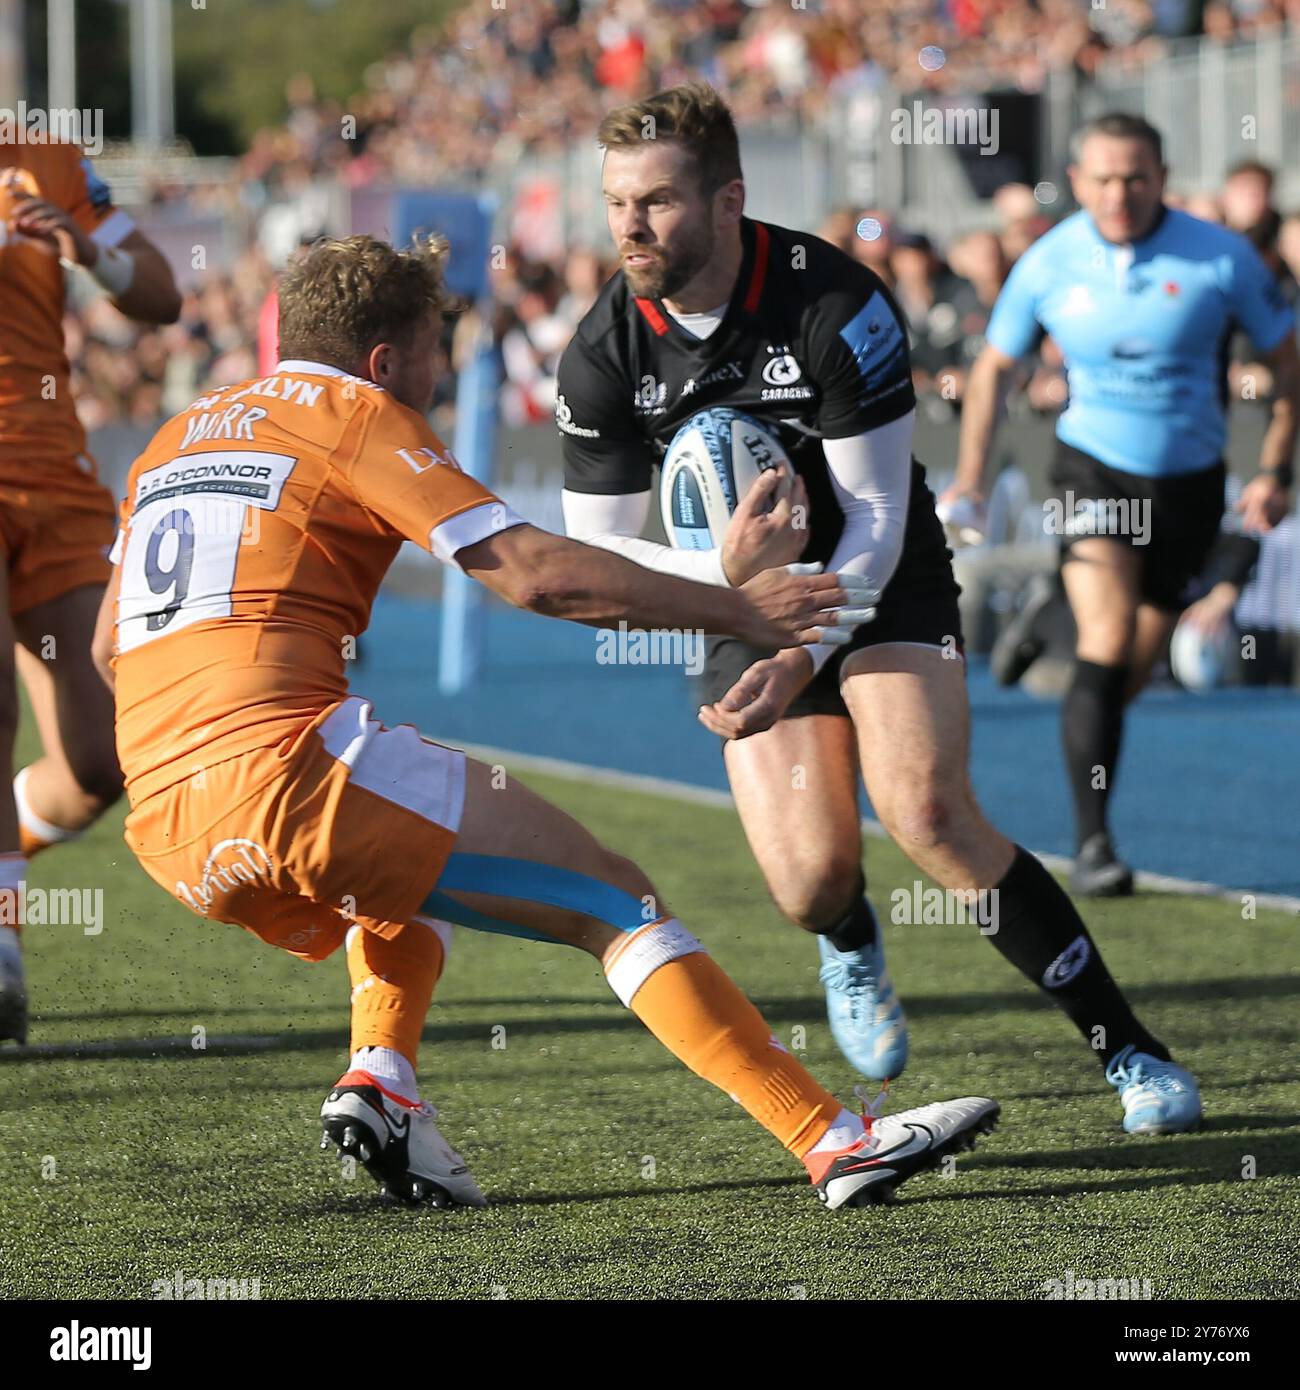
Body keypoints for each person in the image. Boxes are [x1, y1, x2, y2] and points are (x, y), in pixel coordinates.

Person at [93, 233, 998, 1211]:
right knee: (612, 900)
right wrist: (738, 607)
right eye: (434, 352)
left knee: (400, 870)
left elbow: (107, 646)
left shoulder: (176, 435)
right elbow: (534, 574)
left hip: (162, 820)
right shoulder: (356, 413)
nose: (438, 377)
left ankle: (382, 1083)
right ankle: (832, 1140)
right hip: (285, 770)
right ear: (386, 360)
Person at [556, 82, 1200, 1137]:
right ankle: (849, 935)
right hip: (731, 592)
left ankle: (1128, 1046)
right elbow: (598, 546)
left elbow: (874, 513)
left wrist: (794, 632)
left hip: (876, 568)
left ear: (728, 201)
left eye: (658, 201)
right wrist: (727, 592)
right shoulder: (602, 352)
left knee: (929, 813)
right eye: (617, 201)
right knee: (810, 881)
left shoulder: (831, 300)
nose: (630, 224)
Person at [946, 112, 1298, 895]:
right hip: (1092, 470)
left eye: (1135, 177)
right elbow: (995, 368)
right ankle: (1095, 842)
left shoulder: (1222, 257)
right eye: (1102, 178)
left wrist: (1275, 468)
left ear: (1162, 178)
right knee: (1106, 642)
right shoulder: (1049, 262)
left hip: (1190, 484)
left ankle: (1047, 617)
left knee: (1128, 667)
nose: (1119, 194)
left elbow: (1286, 363)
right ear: (1077, 183)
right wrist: (969, 476)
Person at [0, 140, 181, 1043]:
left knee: (100, 761)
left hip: (54, 474)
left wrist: (85, 247)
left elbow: (160, 292)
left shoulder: (45, 159)